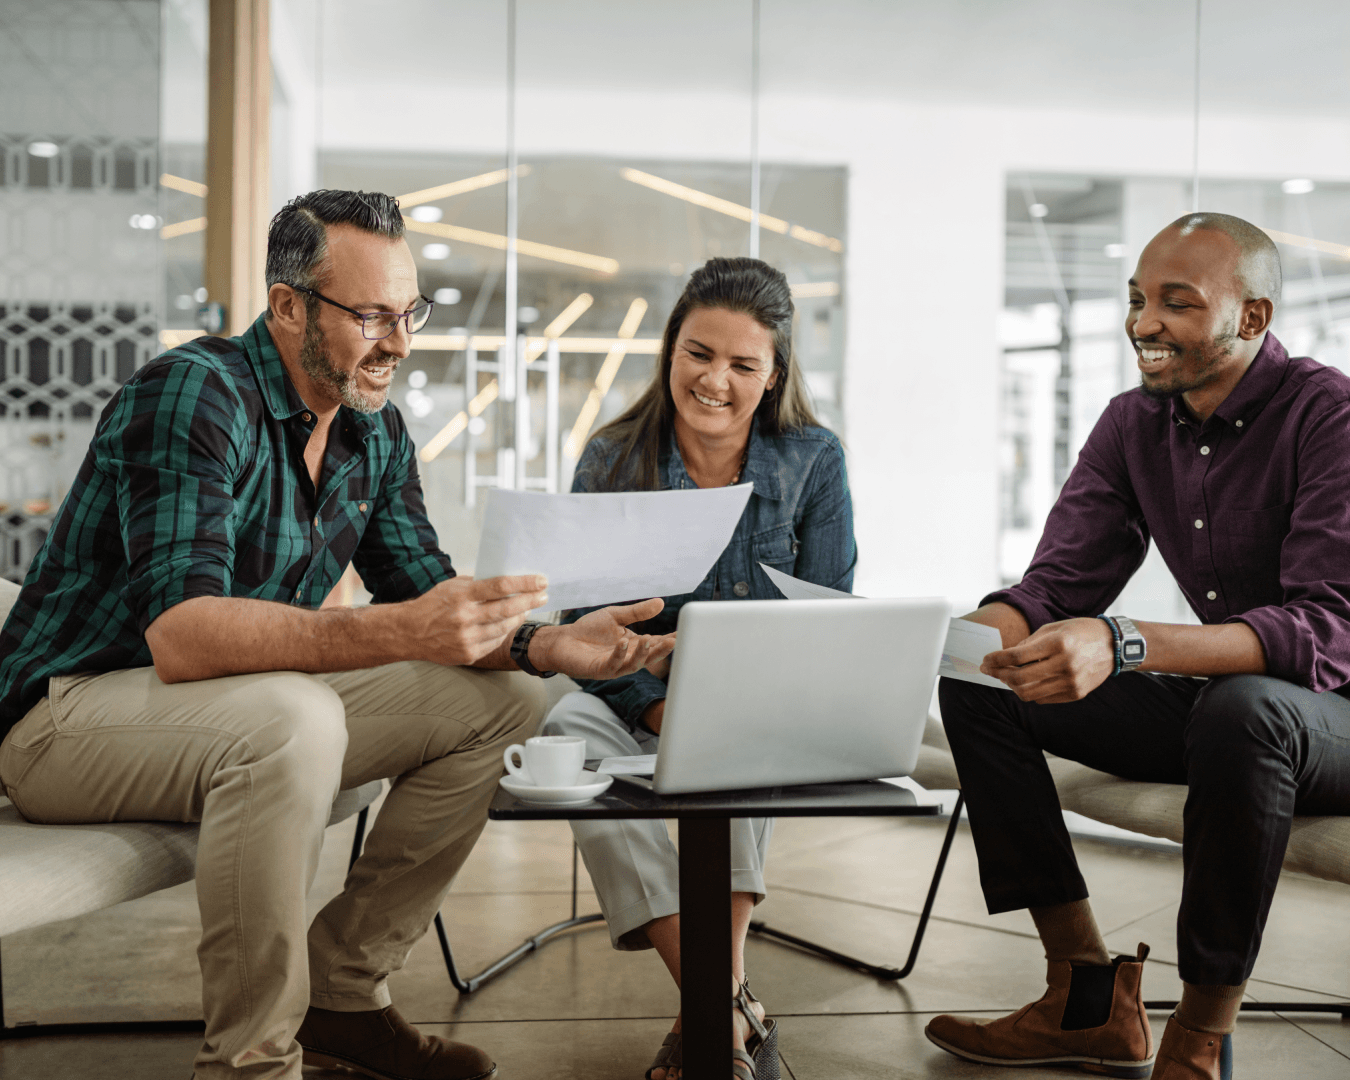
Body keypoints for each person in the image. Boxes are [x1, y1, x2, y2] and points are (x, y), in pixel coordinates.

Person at [0, 189, 675, 1080]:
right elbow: (183, 636)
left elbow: (427, 594)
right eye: (371, 316)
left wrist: (549, 646)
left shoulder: (373, 431)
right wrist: (397, 629)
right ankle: (252, 1063)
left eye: (408, 314)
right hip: (65, 722)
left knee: (504, 701)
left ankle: (346, 996)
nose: (399, 342)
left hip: (226, 718)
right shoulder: (192, 392)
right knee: (294, 715)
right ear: (287, 306)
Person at [925, 213, 1350, 1080]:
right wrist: (963, 642)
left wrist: (1124, 643)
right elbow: (1052, 589)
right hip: (1233, 714)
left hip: (1330, 718)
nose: (1142, 324)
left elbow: (1327, 633)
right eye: (1136, 301)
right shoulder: (1133, 425)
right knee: (985, 679)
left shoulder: (1329, 417)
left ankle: (1195, 1043)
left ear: (1253, 318)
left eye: (1177, 305)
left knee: (1246, 709)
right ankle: (1083, 998)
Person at [541, 257, 857, 1080]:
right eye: (698, 353)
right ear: (670, 352)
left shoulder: (814, 460)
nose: (715, 379)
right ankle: (728, 1005)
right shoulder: (612, 459)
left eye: (743, 364)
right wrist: (653, 708)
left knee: (736, 733)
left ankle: (707, 1018)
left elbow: (826, 612)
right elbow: (582, 629)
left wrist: (719, 692)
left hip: (756, 699)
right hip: (633, 698)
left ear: (773, 374)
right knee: (566, 731)